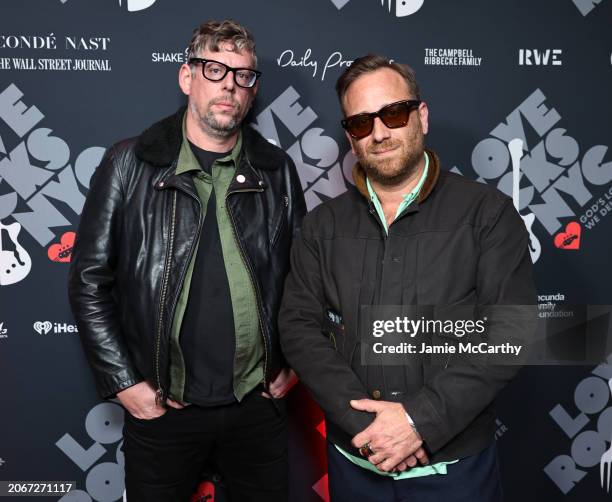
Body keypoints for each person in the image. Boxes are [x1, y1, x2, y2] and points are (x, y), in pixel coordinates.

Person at [279, 54, 536, 501]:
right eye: (361, 123)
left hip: (455, 473)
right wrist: (371, 428)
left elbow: (511, 332)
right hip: (358, 465)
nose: (379, 133)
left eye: (393, 113)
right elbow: (299, 329)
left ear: (422, 116)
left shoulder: (487, 214)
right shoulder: (322, 226)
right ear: (350, 137)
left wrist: (419, 422)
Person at [68, 19, 305, 502]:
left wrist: (295, 362)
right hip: (161, 409)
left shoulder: (277, 171)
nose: (230, 87)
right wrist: (124, 382)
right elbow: (89, 280)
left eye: (243, 76)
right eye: (215, 70)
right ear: (186, 77)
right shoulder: (128, 163)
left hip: (256, 409)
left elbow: (307, 278)